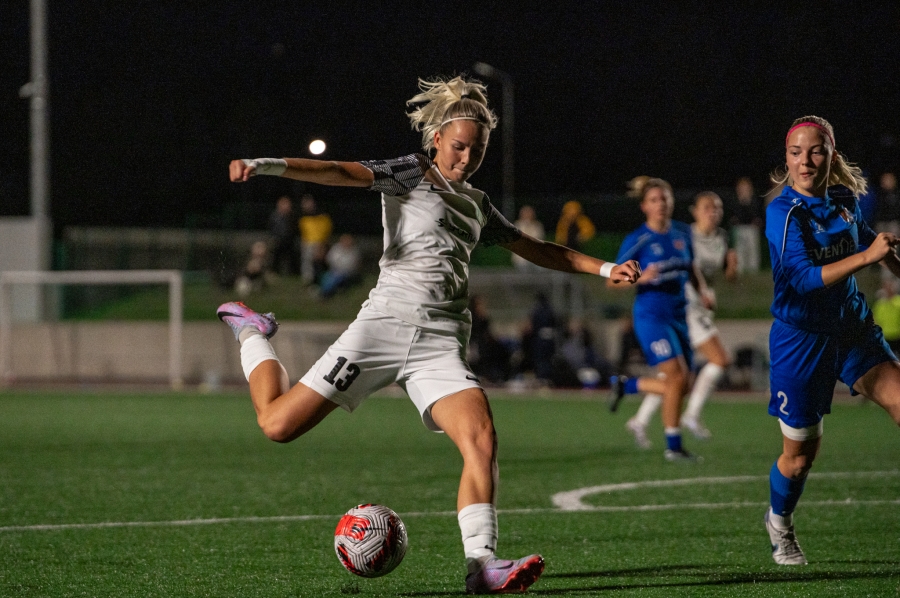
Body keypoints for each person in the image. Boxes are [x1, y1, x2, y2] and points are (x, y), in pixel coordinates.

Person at [220, 75, 641, 594]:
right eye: (459, 146)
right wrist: (268, 165)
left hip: (440, 343)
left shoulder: (477, 204)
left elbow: (535, 248)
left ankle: (482, 565)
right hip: (382, 328)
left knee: (481, 438)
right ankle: (253, 332)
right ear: (437, 139)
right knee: (277, 424)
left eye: (477, 150)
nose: (466, 158)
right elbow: (339, 171)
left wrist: (606, 268)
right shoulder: (409, 173)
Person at [762, 115, 900, 565]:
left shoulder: (843, 200)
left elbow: (873, 244)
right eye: (795, 153)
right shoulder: (783, 212)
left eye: (815, 151)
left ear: (831, 156)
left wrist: (886, 259)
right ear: (786, 160)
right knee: (800, 458)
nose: (805, 161)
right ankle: (780, 523)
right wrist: (866, 257)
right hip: (800, 342)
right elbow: (802, 279)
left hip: (852, 330)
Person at [606, 178, 711, 462]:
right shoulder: (638, 239)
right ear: (644, 207)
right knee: (675, 377)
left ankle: (625, 386)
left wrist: (703, 292)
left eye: (664, 198)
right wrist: (640, 278)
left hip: (679, 316)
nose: (661, 204)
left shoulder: (682, 233)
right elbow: (612, 280)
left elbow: (691, 268)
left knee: (684, 385)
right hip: (651, 317)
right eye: (654, 200)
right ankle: (673, 447)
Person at [625, 191, 738, 447]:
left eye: (717, 208)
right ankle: (691, 416)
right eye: (707, 207)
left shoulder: (720, 238)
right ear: (694, 211)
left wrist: (731, 268)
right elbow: (685, 267)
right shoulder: (685, 234)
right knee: (719, 360)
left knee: (676, 376)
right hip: (685, 307)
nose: (713, 212)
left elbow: (724, 276)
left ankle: (638, 414)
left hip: (700, 307)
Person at [730, 176, 764, 273]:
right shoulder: (735, 200)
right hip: (739, 228)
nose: (744, 189)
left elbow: (759, 213)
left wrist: (757, 220)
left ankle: (753, 269)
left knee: (752, 249)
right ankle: (740, 269)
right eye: (742, 187)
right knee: (740, 249)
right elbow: (732, 214)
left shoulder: (755, 200)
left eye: (746, 187)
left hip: (752, 229)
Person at [298, 193, 332, 285]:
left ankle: (320, 279)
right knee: (307, 260)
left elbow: (326, 230)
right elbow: (304, 233)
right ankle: (308, 279)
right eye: (304, 204)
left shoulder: (322, 216)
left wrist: (322, 244)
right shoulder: (303, 218)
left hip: (320, 243)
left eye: (308, 203)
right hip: (308, 243)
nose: (306, 206)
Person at [318, 233, 361, 298]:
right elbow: (330, 259)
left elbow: (353, 265)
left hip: (347, 273)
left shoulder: (354, 252)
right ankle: (324, 291)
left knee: (335, 278)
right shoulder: (336, 249)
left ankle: (325, 293)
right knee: (326, 276)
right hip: (334, 270)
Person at [267, 195, 299, 275]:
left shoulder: (292, 216)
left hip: (290, 240)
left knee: (292, 257)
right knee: (276, 257)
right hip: (278, 240)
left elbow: (295, 228)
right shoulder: (275, 216)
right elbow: (271, 228)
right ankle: (275, 272)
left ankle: (293, 272)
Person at [511, 206, 546, 271]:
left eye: (529, 213)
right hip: (521, 257)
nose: (527, 215)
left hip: (535, 255)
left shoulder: (537, 225)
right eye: (525, 213)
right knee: (523, 266)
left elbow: (538, 239)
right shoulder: (517, 225)